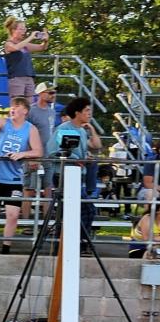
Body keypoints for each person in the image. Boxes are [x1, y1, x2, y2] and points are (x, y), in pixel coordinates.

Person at [0, 97, 43, 253]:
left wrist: (22, 154)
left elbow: (38, 151)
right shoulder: (4, 121)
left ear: (25, 110)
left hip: (13, 179)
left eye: (17, 106)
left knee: (12, 215)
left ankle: (6, 248)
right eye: (11, 106)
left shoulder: (30, 129)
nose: (12, 109)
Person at [47, 96, 102, 253]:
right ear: (77, 113)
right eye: (87, 110)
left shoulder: (82, 131)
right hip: (65, 175)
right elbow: (52, 151)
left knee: (70, 211)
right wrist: (75, 159)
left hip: (77, 175)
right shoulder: (64, 129)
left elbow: (96, 146)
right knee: (86, 210)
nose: (89, 113)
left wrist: (85, 156)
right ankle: (78, 244)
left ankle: (67, 244)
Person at [21, 82, 58, 225]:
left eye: (53, 92)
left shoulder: (51, 111)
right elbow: (25, 133)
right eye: (50, 92)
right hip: (33, 156)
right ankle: (26, 224)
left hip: (48, 155)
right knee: (29, 190)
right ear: (41, 94)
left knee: (48, 189)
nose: (53, 95)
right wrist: (30, 156)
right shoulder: (31, 111)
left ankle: (45, 224)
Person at [3, 17, 48, 100]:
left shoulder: (25, 45)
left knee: (29, 105)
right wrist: (31, 37)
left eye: (25, 29)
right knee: (17, 104)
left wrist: (45, 41)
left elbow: (42, 48)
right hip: (16, 78)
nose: (24, 31)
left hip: (29, 77)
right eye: (21, 29)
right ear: (13, 30)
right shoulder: (8, 44)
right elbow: (16, 48)